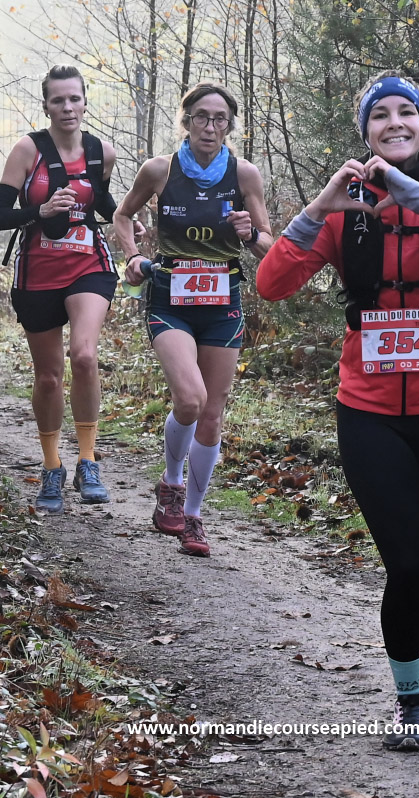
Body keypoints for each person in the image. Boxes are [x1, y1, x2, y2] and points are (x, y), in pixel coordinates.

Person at [256, 70, 419, 750]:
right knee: (407, 561)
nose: (394, 123)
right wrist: (319, 207)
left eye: (406, 113)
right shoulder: (345, 210)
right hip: (368, 411)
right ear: (364, 131)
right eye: (380, 115)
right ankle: (410, 704)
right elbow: (272, 284)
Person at [113, 82, 272, 558]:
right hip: (170, 300)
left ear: (230, 125)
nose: (210, 126)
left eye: (220, 118)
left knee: (212, 412)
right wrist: (133, 255)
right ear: (186, 121)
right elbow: (122, 215)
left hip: (223, 305)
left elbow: (271, 248)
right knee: (190, 400)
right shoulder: (160, 170)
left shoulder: (244, 174)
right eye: (201, 116)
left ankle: (193, 516)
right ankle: (171, 482)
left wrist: (250, 234)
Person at [0, 64, 124, 513]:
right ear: (46, 105)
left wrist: (126, 219)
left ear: (85, 102)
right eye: (58, 100)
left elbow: (102, 202)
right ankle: (52, 466)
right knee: (48, 377)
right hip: (38, 274)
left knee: (84, 356)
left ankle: (88, 461)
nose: (67, 107)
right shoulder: (27, 150)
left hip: (89, 265)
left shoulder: (101, 152)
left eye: (74, 99)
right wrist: (41, 210)